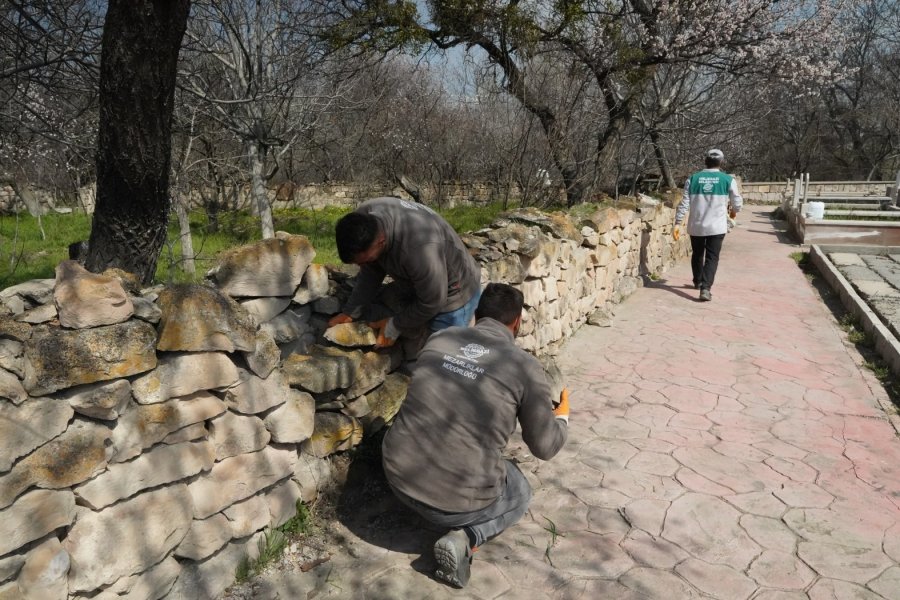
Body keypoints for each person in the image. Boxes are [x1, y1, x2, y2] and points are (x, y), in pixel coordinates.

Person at [381, 283, 570, 588]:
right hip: (454, 504)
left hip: (397, 477)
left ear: (477, 315)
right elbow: (544, 447)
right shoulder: (525, 367)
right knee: (519, 489)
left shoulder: (441, 338)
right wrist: (562, 418)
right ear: (517, 323)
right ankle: (467, 536)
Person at [328, 197, 482, 349]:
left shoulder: (420, 249)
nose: (360, 266)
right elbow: (371, 271)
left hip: (456, 291)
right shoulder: (363, 217)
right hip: (428, 278)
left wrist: (395, 324)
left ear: (381, 241)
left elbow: (432, 301)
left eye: (366, 260)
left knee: (441, 355)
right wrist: (350, 312)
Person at [674, 148, 743, 301]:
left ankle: (698, 281)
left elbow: (684, 203)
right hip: (717, 227)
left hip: (696, 226)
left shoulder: (693, 179)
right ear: (721, 162)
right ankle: (705, 288)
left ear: (705, 161)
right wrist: (734, 211)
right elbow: (737, 202)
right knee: (712, 257)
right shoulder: (727, 180)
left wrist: (677, 222)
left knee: (697, 254)